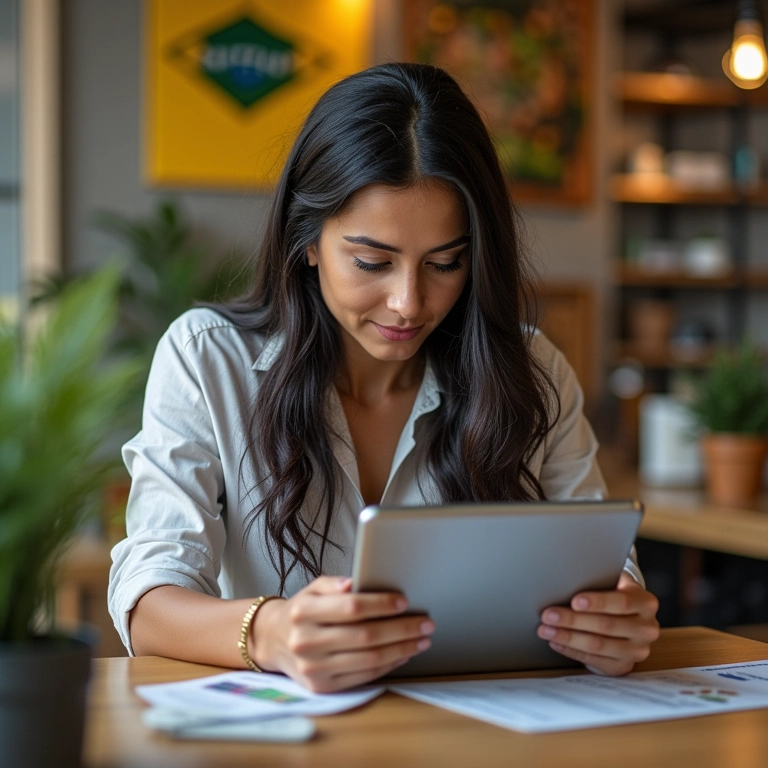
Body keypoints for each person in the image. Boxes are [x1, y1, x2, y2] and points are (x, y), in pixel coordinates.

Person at [108, 62, 659, 693]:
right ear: (307, 240)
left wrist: (616, 623)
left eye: (446, 263)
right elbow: (148, 600)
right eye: (372, 261)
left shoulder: (532, 374)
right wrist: (271, 633)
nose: (408, 302)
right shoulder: (209, 360)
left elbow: (607, 567)